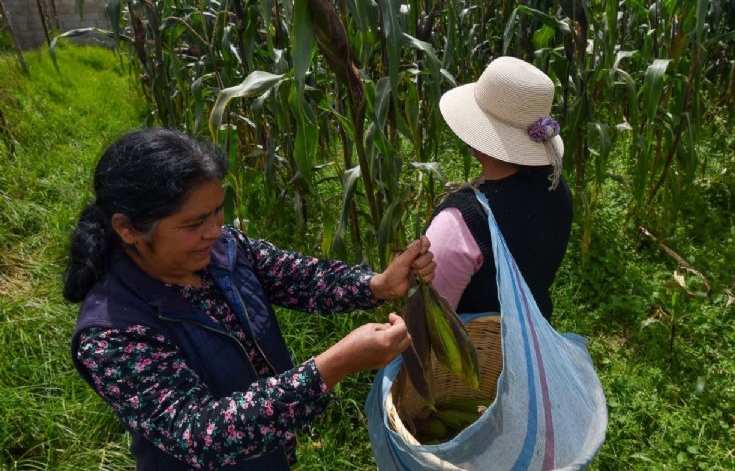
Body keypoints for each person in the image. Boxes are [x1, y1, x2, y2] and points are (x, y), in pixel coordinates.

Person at [65, 128, 434, 470]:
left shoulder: (225, 248)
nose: (214, 230)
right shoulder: (111, 334)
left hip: (268, 449)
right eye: (194, 224)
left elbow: (301, 279)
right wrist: (330, 368)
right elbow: (199, 434)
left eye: (217, 211)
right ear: (127, 229)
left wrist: (376, 284)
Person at [424, 56, 573, 321]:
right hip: (531, 346)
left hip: (475, 358)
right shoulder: (557, 187)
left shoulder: (459, 223)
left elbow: (432, 322)